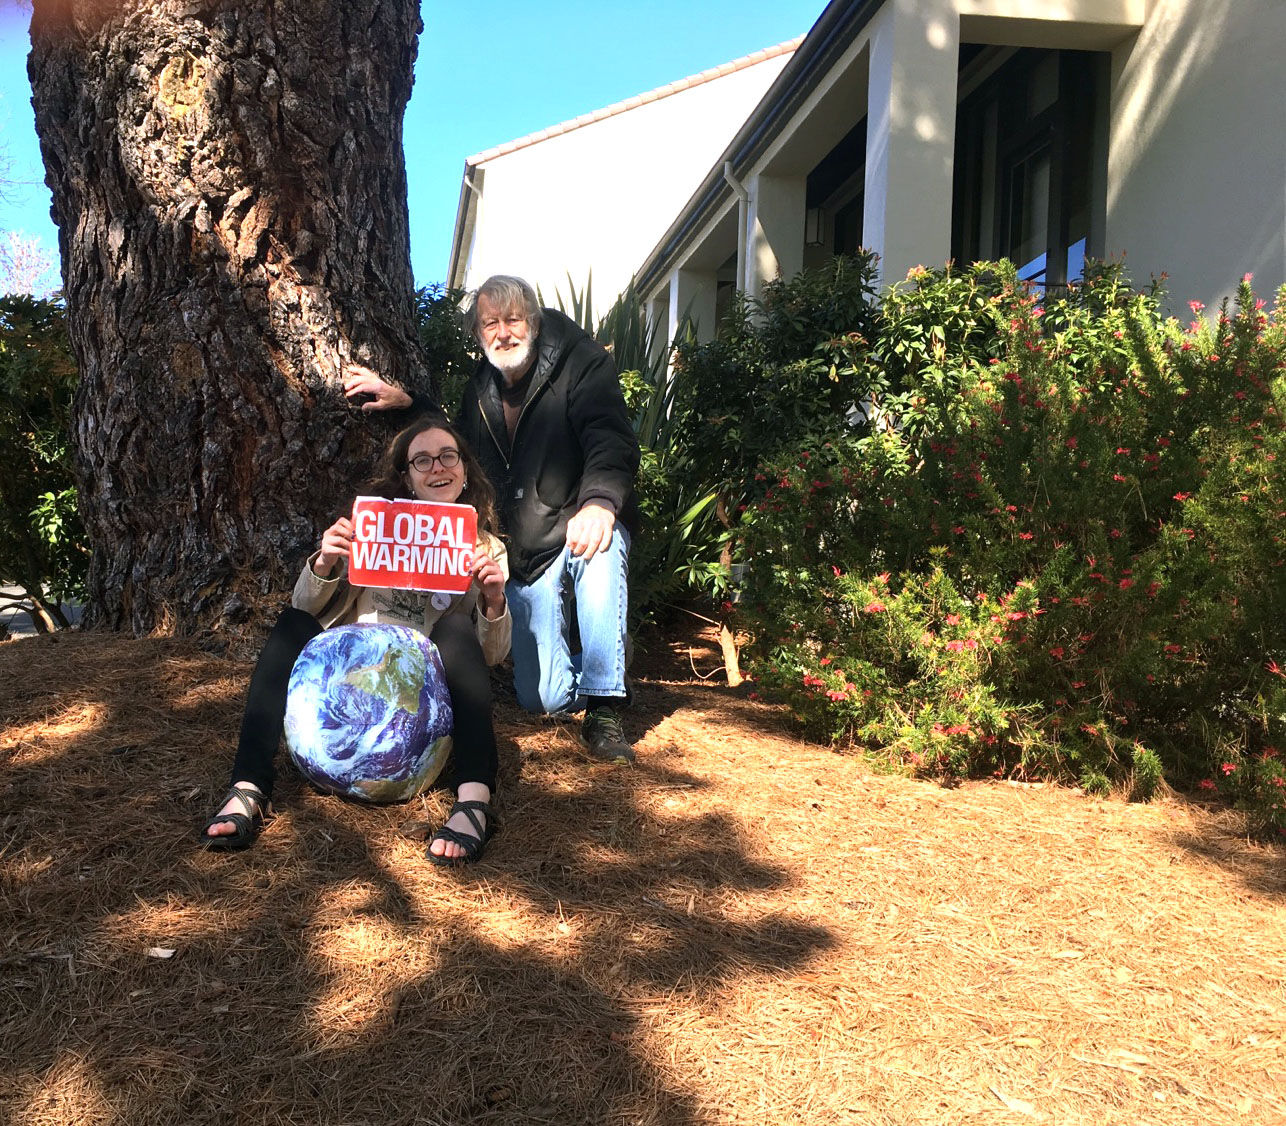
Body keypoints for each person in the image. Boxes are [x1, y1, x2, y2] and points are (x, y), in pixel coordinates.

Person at [343, 276, 641, 763]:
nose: (503, 333)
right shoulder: (481, 385)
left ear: (533, 321)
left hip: (575, 525)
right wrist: (411, 404)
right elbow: (459, 446)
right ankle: (603, 661)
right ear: (478, 333)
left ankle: (605, 707)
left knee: (602, 543)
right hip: (527, 551)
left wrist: (600, 501)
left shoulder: (582, 362)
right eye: (490, 323)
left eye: (513, 320)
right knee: (543, 700)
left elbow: (609, 436)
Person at [202, 415, 511, 865]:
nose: (437, 467)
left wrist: (493, 599)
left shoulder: (487, 549)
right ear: (406, 477)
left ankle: (474, 801)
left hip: (420, 691)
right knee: (291, 624)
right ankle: (248, 785)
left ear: (464, 469)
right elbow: (305, 607)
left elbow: (492, 656)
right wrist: (325, 563)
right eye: (422, 460)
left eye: (448, 456)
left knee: (457, 628)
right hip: (351, 672)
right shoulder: (371, 527)